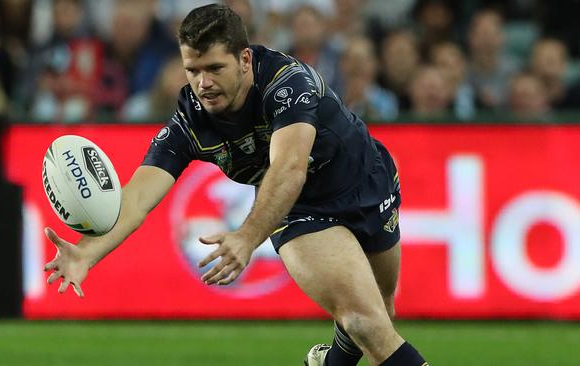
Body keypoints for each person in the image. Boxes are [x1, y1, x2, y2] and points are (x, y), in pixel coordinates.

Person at [43, 4, 429, 366]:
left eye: (214, 68)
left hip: (367, 179)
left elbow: (291, 164)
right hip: (298, 209)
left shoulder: (286, 83)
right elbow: (138, 198)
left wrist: (246, 237)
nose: (202, 83)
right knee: (364, 322)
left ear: (245, 60)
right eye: (192, 70)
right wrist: (85, 254)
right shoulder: (189, 121)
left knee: (380, 308)